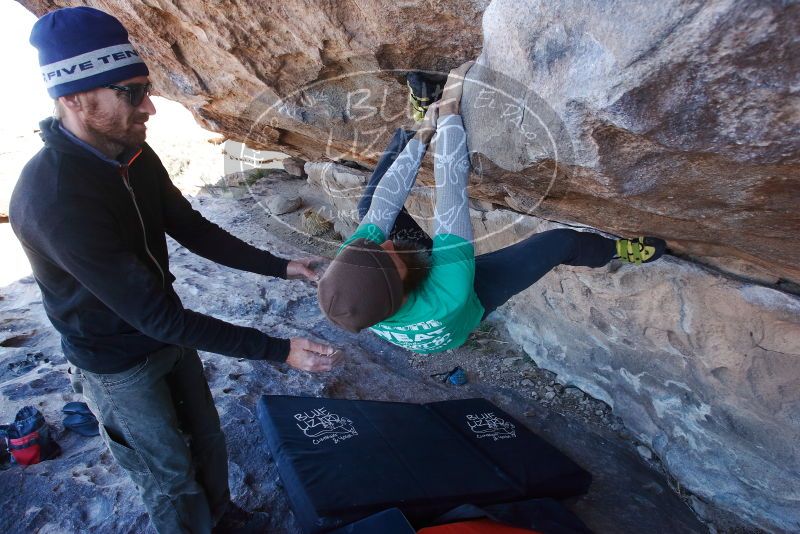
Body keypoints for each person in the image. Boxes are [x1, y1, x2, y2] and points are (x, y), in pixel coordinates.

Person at [9, 7, 340, 533]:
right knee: (168, 475)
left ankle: (222, 518)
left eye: (146, 88)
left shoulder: (131, 152)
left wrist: (282, 266)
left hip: (167, 333)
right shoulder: (55, 198)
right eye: (131, 92)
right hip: (117, 362)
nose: (150, 107)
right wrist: (279, 351)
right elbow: (157, 317)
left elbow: (191, 227)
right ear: (75, 98)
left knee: (206, 440)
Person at [318, 62, 666, 354]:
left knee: (371, 205)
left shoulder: (358, 271)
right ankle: (617, 250)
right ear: (401, 281)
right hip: (471, 297)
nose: (386, 242)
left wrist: (427, 130)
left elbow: (384, 206)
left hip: (413, 284)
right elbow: (451, 193)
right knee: (560, 244)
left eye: (372, 246)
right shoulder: (447, 296)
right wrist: (451, 114)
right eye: (386, 254)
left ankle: (419, 118)